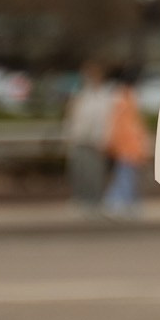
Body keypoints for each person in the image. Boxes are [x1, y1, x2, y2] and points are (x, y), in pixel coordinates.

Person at [62, 61, 112, 213]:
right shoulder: (81, 95)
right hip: (80, 139)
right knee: (79, 172)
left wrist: (105, 139)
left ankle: (95, 202)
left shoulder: (105, 96)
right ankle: (81, 200)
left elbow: (108, 120)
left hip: (97, 141)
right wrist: (69, 136)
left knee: (95, 173)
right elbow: (72, 117)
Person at [102, 68, 150, 216]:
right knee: (126, 175)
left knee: (126, 175)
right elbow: (128, 125)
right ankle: (116, 202)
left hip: (127, 145)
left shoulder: (122, 97)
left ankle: (125, 203)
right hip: (127, 145)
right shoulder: (125, 98)